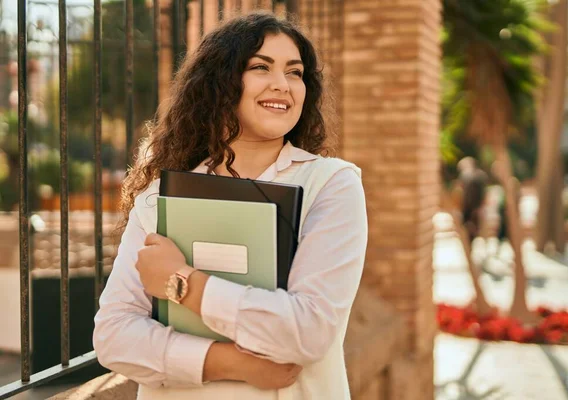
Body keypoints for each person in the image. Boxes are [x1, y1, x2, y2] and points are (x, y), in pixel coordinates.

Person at [93, 12, 368, 400]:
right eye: (260, 67)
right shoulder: (160, 197)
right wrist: (233, 363)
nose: (282, 85)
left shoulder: (330, 185)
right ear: (219, 84)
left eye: (295, 72)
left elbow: (308, 332)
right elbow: (113, 337)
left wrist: (182, 283)